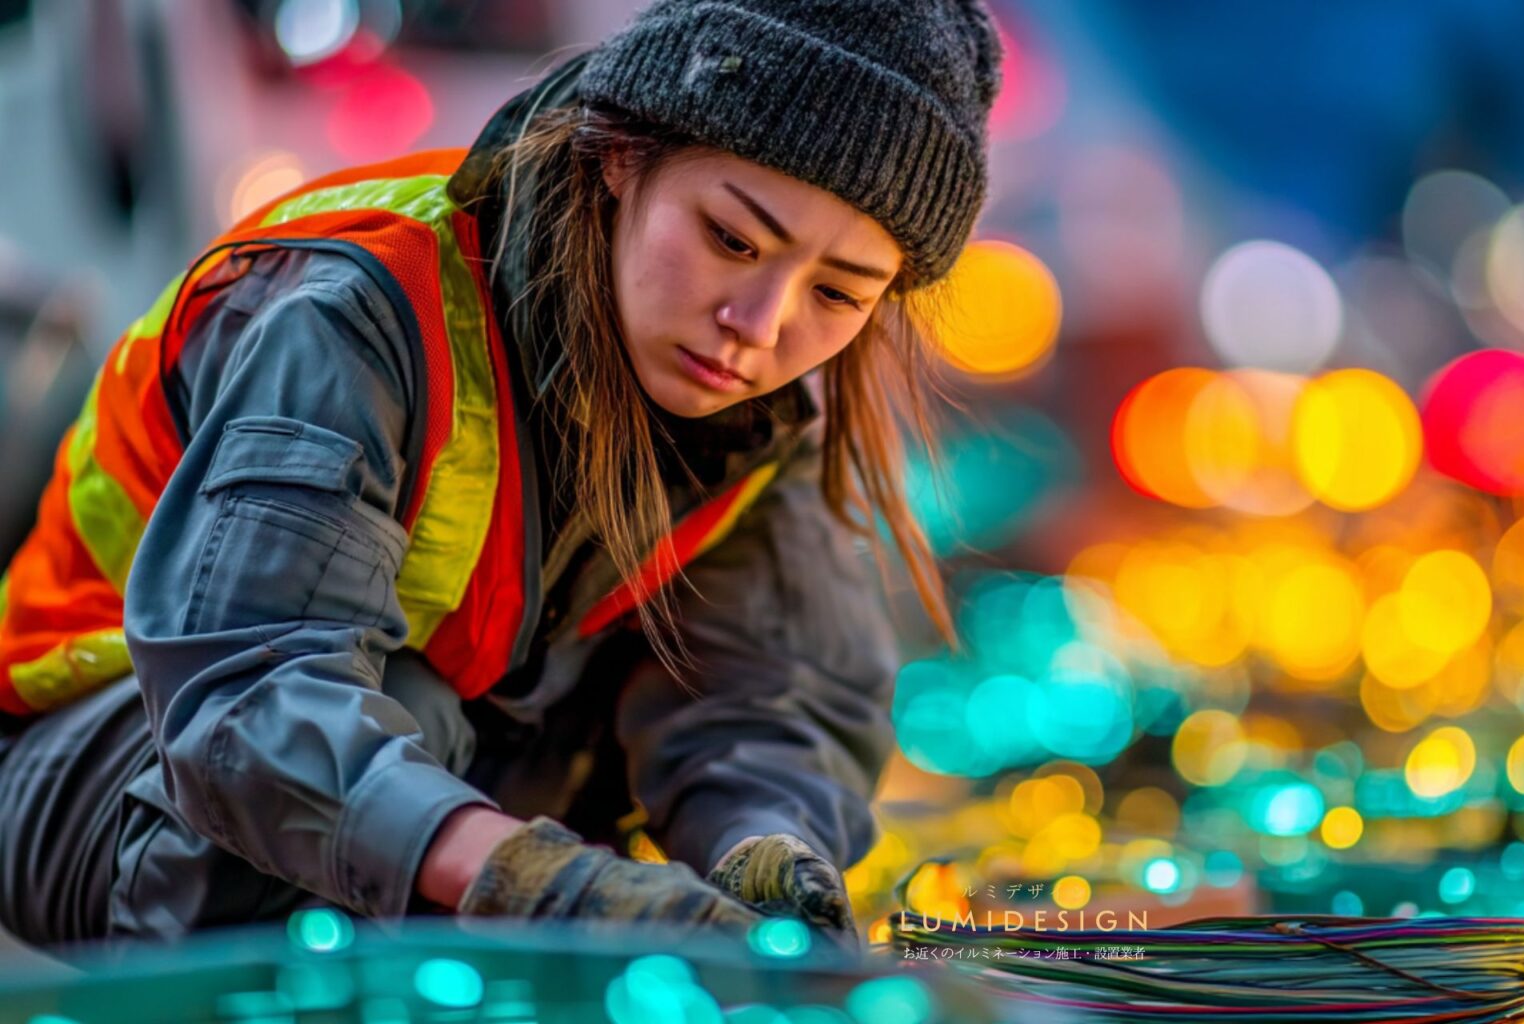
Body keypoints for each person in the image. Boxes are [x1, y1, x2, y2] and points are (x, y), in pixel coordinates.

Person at [0, 0, 999, 952]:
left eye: (835, 292)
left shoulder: (753, 418)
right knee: (414, 718)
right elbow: (249, 699)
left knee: (550, 744)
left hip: (373, 774)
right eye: (731, 239)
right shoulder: (361, 311)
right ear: (620, 153)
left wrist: (764, 852)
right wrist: (536, 882)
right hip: (105, 764)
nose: (762, 325)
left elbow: (765, 703)